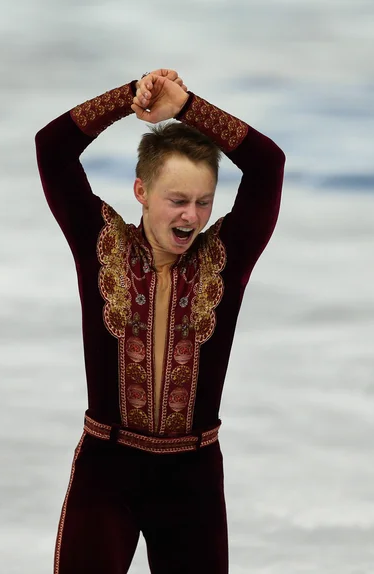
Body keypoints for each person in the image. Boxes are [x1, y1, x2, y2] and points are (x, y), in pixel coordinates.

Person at [35, 68, 285, 574]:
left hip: (191, 479)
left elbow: (268, 165)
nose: (191, 217)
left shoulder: (226, 256)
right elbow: (52, 147)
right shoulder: (100, 243)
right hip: (107, 471)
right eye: (177, 200)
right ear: (141, 192)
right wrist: (130, 96)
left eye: (203, 202)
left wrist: (189, 107)